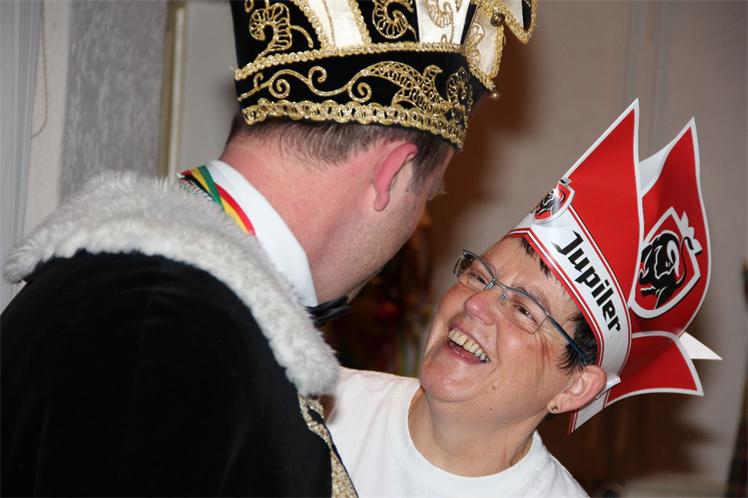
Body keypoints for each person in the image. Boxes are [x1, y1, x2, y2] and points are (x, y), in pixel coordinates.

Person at [0, 1, 537, 496]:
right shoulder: (176, 336)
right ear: (392, 174)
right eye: (429, 193)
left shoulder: (153, 295)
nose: (417, 221)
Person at [326, 102, 718, 497]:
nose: (476, 304)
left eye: (523, 309)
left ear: (575, 388)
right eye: (479, 277)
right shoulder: (319, 411)